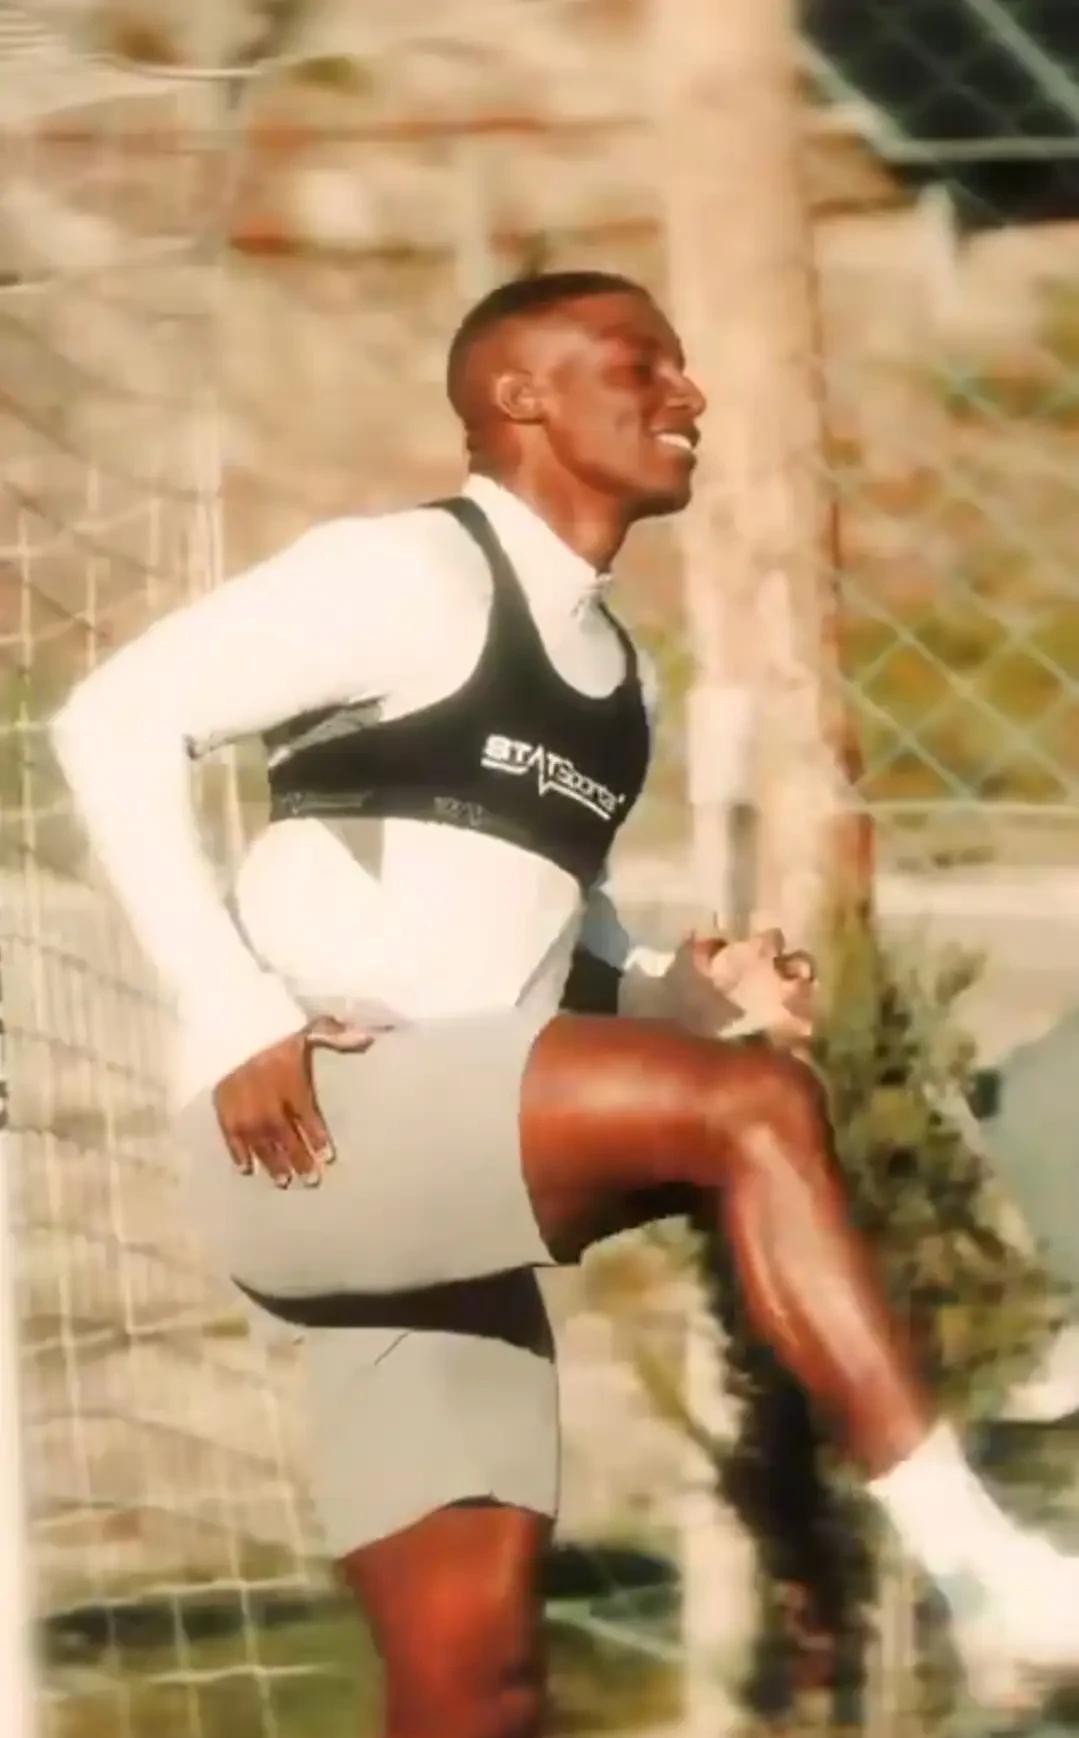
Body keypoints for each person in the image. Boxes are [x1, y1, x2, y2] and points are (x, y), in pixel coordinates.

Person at [51, 269, 1079, 1735]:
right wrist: (233, 1014)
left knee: (476, 1686)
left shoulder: (616, 678)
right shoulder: (406, 572)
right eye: (639, 363)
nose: (689, 393)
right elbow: (110, 722)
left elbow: (543, 942)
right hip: (313, 1126)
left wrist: (678, 989)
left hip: (440, 1188)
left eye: (686, 366)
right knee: (752, 1111)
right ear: (520, 395)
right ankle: (985, 1575)